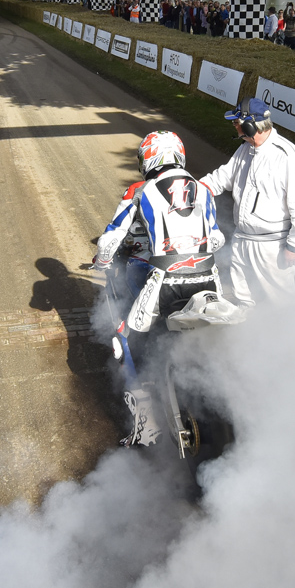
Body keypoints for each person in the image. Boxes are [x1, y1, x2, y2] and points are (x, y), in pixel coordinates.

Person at [94, 132, 226, 447]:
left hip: (163, 282)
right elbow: (218, 239)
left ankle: (144, 424)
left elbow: (109, 241)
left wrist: (102, 260)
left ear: (150, 159)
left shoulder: (140, 190)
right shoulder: (204, 189)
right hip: (208, 279)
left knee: (124, 335)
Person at [200, 98, 295, 311]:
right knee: (243, 298)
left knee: (282, 301)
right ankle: (250, 339)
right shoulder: (245, 149)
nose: (234, 126)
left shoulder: (288, 156)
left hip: (272, 245)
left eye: (237, 122)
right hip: (242, 238)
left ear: (251, 125)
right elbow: (222, 177)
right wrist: (196, 189)